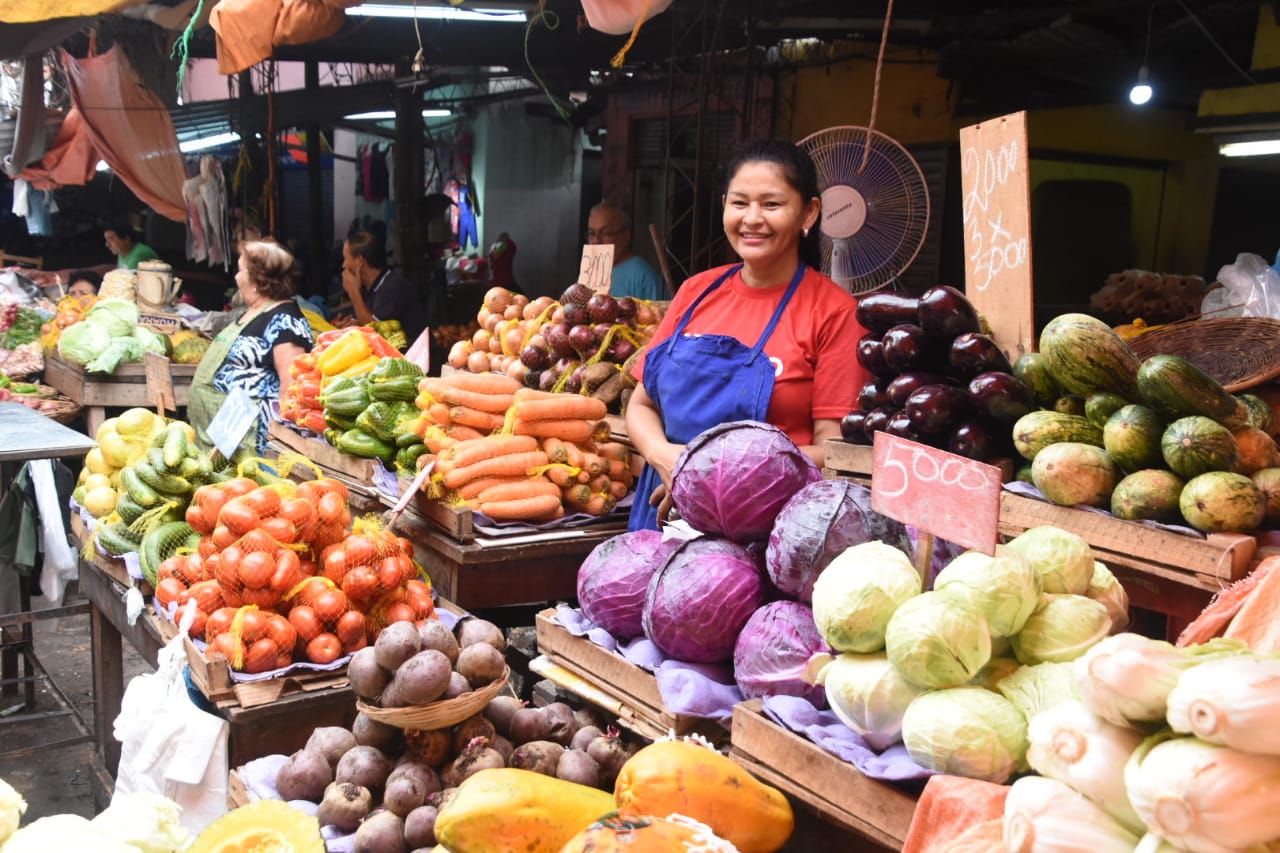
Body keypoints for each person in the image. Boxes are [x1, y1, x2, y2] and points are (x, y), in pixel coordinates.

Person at [625, 139, 868, 532]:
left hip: (760, 520)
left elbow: (834, 451)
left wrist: (708, 472)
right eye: (739, 203)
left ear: (809, 212)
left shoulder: (835, 312)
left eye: (771, 204)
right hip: (661, 509)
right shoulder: (696, 291)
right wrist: (661, 455)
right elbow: (641, 404)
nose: (752, 218)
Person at [188, 239, 314, 459]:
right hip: (227, 437)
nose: (236, 277)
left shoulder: (285, 321)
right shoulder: (254, 311)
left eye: (240, 270)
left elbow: (292, 388)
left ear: (257, 279)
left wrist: (283, 447)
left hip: (254, 443)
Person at [338, 231, 429, 345]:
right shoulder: (371, 287)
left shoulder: (392, 286)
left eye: (346, 258)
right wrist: (352, 324)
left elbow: (375, 334)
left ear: (360, 261)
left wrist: (354, 292)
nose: (344, 265)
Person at [586, 202, 665, 301]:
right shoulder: (589, 271)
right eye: (592, 233)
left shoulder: (641, 275)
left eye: (605, 233)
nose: (596, 241)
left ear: (626, 236)